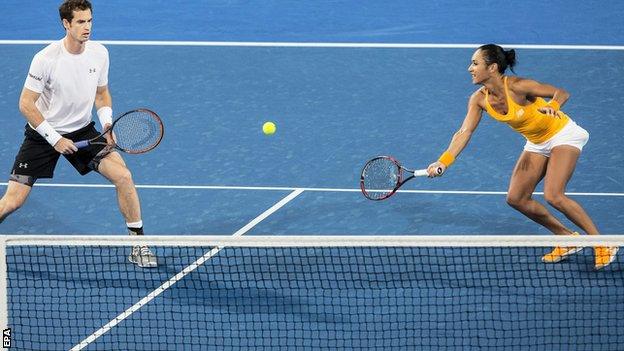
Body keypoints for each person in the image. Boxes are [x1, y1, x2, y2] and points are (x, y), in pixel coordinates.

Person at [426, 44, 617, 269]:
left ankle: (603, 244)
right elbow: (464, 132)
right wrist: (444, 161)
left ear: (493, 67)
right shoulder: (478, 100)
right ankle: (567, 239)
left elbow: (561, 92)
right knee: (516, 198)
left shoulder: (518, 86)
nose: (470, 68)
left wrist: (554, 105)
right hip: (537, 142)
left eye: (475, 63)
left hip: (563, 135)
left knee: (554, 195)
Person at [0, 0, 156, 268]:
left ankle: (138, 245)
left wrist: (106, 123)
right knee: (13, 202)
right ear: (66, 24)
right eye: (81, 22)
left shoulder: (99, 53)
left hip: (84, 130)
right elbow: (26, 103)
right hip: (44, 134)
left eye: (90, 21)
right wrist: (55, 139)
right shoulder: (45, 59)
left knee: (124, 176)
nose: (87, 27)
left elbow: (101, 92)